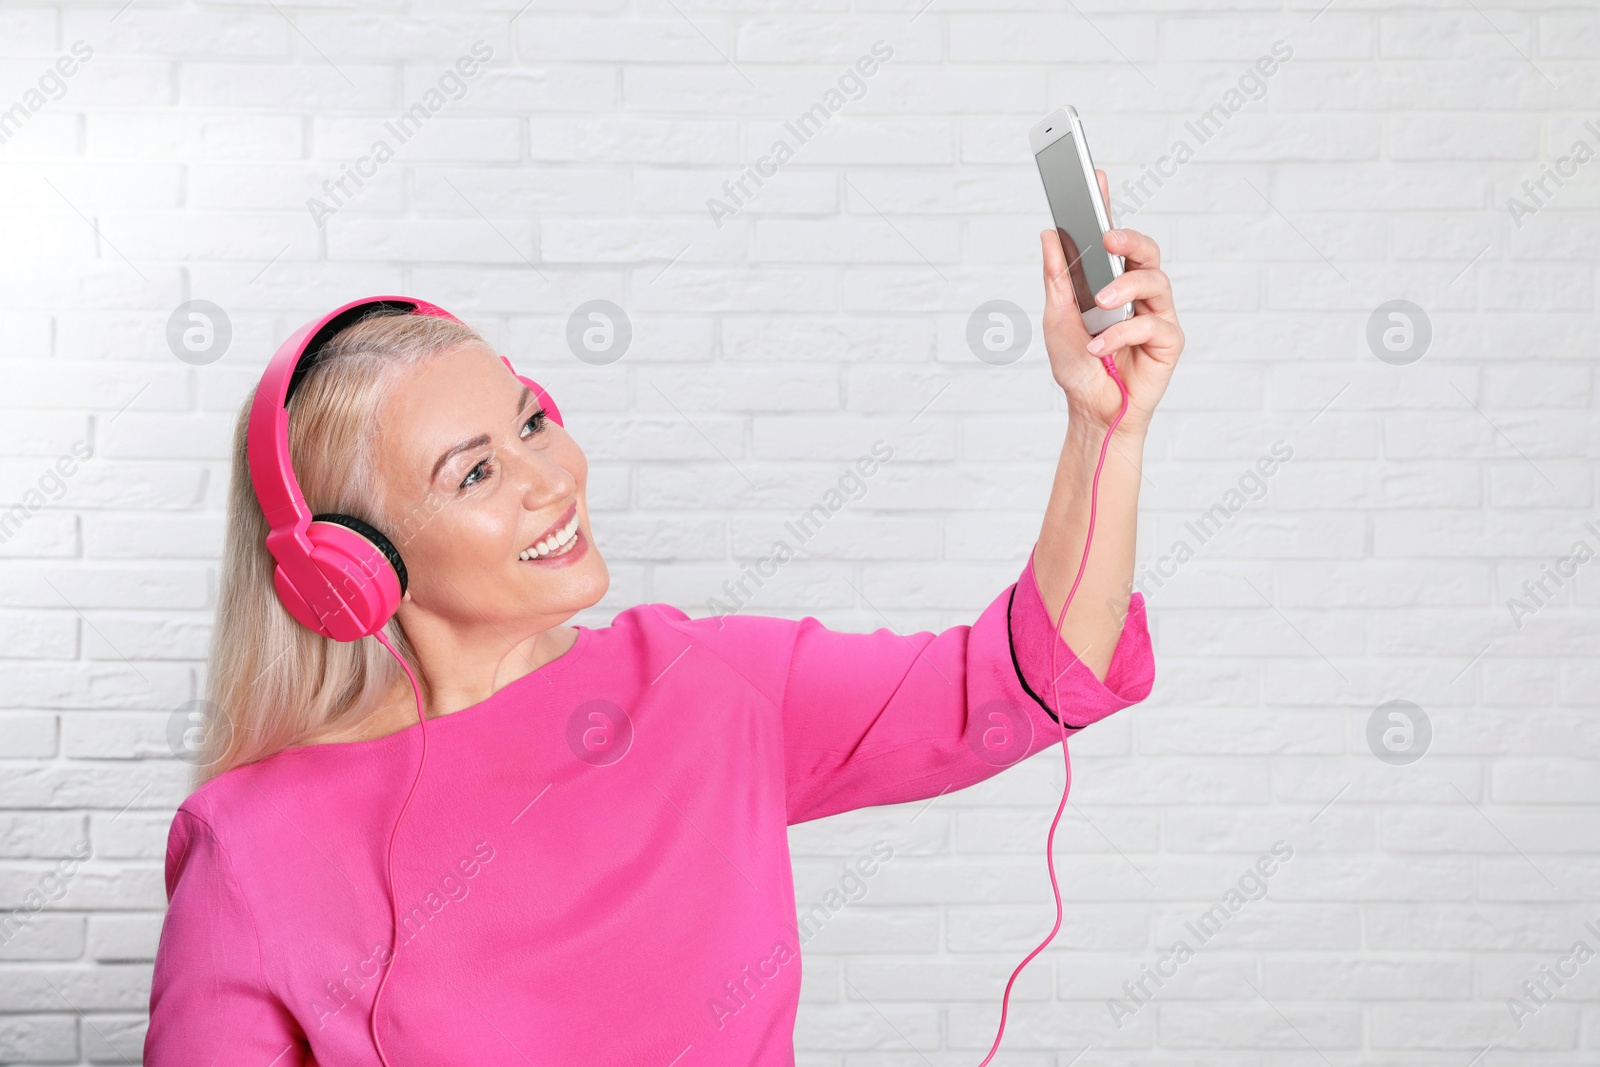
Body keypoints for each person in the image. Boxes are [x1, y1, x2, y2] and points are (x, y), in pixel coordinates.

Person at [142, 172, 1183, 1065]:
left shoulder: (699, 682)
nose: (549, 479)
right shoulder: (253, 845)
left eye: (532, 420)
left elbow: (1027, 678)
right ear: (354, 568)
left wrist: (1106, 432)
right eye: (475, 472)